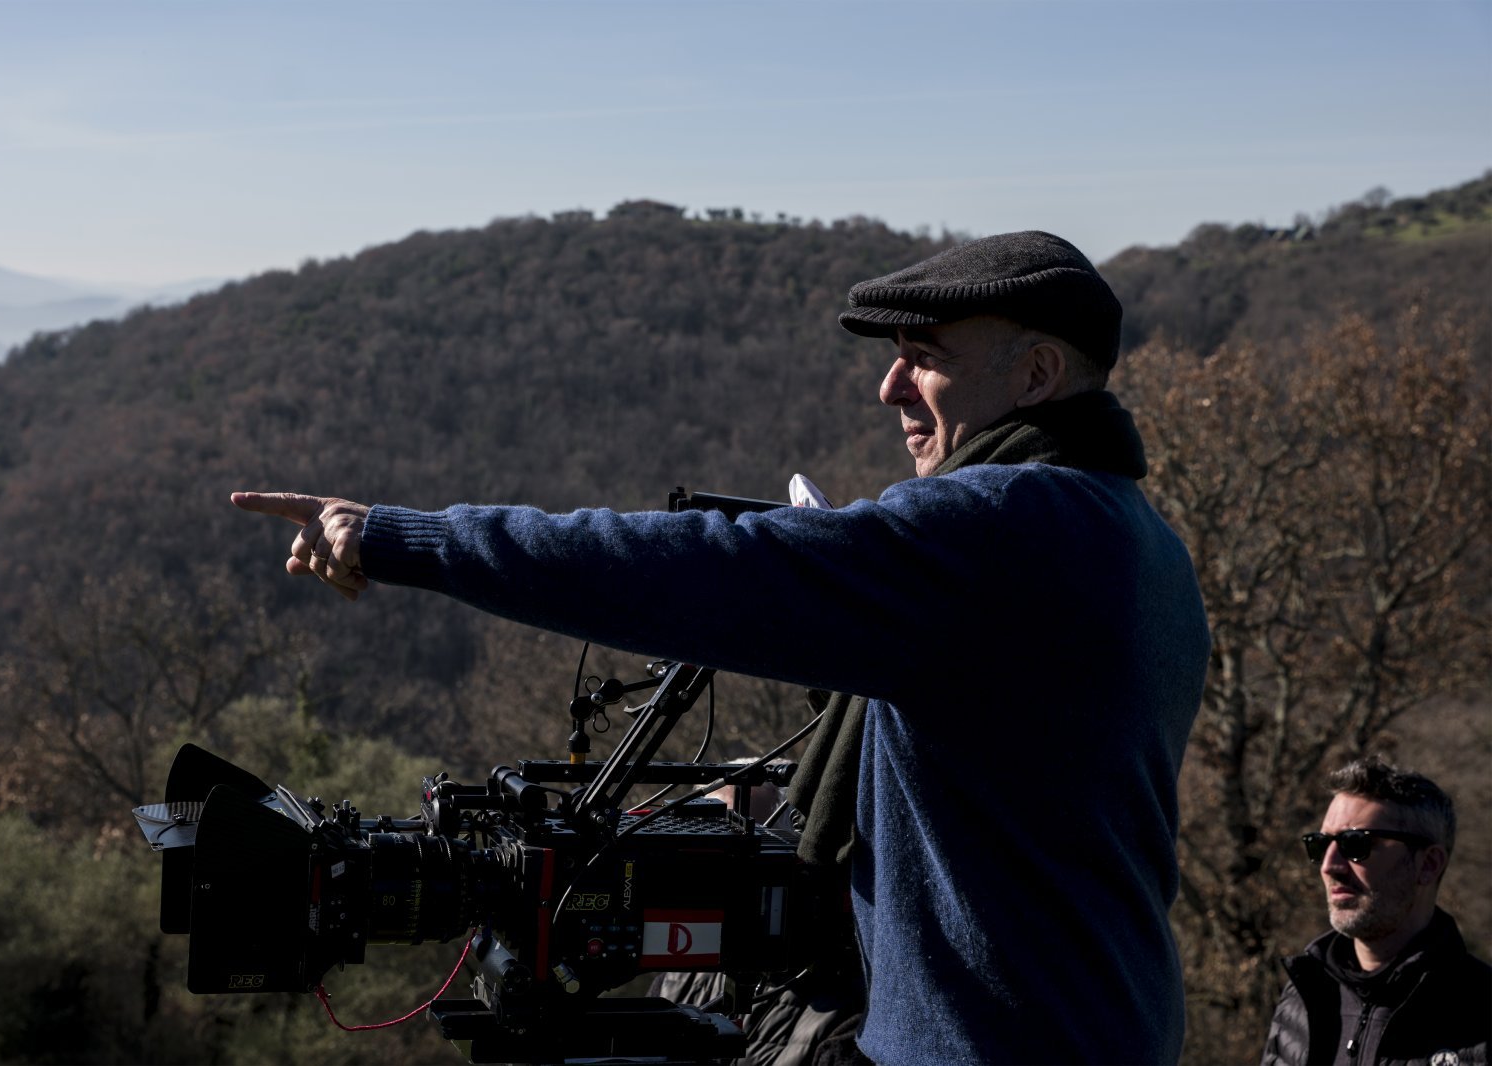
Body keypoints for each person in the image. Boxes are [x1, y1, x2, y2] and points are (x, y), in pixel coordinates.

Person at [233, 230, 1212, 1064]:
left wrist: (405, 538)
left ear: (1035, 373)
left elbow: (690, 569)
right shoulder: (1135, 536)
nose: (887, 386)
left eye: (924, 352)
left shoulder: (996, 531)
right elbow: (1013, 774)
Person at [1261, 758, 1490, 1066]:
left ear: (1428, 864)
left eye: (1355, 844)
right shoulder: (1302, 996)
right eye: (1319, 845)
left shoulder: (1481, 1009)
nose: (1329, 866)